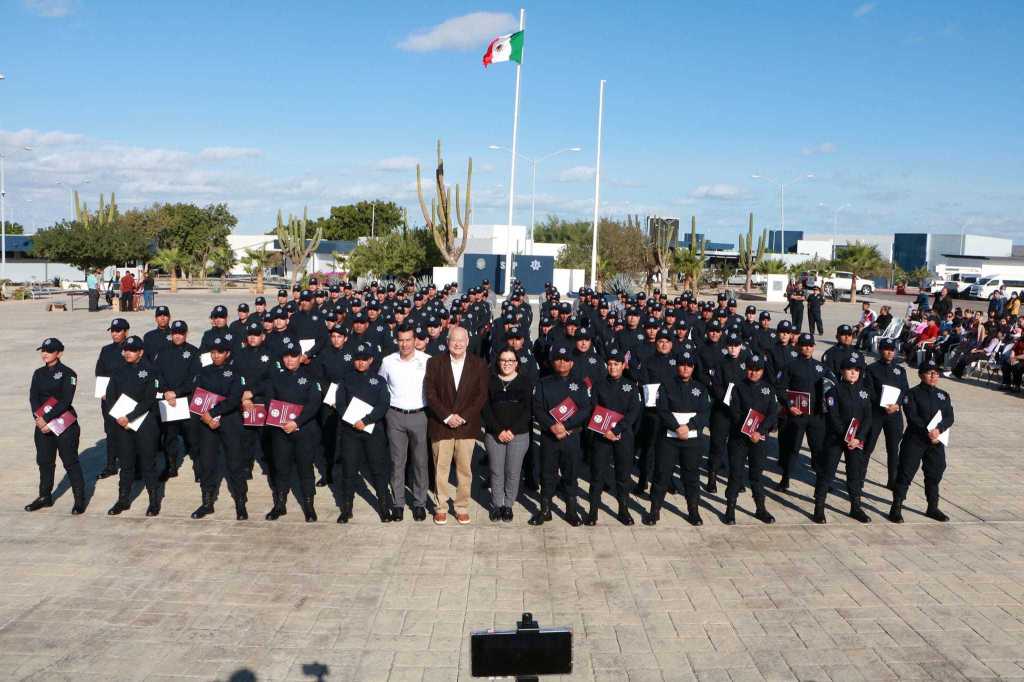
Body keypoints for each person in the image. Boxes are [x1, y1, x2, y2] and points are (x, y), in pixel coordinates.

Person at [424, 326, 488, 525]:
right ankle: (441, 506)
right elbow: (430, 393)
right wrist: (446, 416)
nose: (458, 344)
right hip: (441, 425)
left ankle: (461, 507)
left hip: (466, 427)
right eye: (454, 340)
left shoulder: (478, 364)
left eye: (461, 340)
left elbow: (481, 395)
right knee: (440, 469)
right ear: (447, 341)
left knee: (464, 470)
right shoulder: (434, 363)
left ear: (468, 342)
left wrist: (463, 417)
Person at [644, 349, 710, 526]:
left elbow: (705, 412)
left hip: (692, 439)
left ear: (693, 367)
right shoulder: (666, 386)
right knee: (661, 475)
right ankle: (654, 510)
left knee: (691, 477)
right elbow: (662, 409)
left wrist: (688, 427)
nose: (685, 368)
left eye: (689, 365)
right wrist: (676, 427)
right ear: (677, 366)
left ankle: (693, 511)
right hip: (669, 438)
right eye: (682, 364)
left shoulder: (700, 388)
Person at [530, 341, 593, 526]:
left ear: (572, 363)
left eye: (566, 360)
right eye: (558, 360)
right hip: (550, 437)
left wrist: (565, 425)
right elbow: (538, 408)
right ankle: (545, 510)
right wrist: (551, 426)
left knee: (570, 473)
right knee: (547, 473)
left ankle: (571, 511)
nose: (562, 363)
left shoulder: (580, 385)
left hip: (571, 436)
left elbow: (585, 409)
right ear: (552, 362)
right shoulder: (543, 383)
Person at [189, 337, 247, 520]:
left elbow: (234, 398)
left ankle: (240, 502)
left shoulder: (235, 373)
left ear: (227, 353)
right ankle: (207, 502)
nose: (215, 355)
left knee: (235, 463)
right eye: (213, 352)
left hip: (229, 422)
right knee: (207, 463)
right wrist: (206, 418)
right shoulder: (203, 373)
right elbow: (196, 397)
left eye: (220, 352)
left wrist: (214, 413)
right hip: (207, 423)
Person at [26, 338, 86, 515]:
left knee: (70, 462)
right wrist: (38, 418)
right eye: (43, 350)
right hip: (42, 424)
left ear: (59, 353)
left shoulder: (69, 374)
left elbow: (66, 401)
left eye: (49, 351)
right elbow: (33, 397)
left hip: (63, 423)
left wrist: (46, 418)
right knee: (44, 462)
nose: (45, 353)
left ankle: (79, 500)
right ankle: (45, 496)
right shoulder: (38, 373)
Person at [334, 343, 393, 523]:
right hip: (350, 431)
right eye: (358, 359)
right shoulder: (345, 379)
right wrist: (353, 421)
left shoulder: (379, 381)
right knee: (349, 470)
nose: (361, 363)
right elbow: (340, 403)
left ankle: (384, 507)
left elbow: (383, 404)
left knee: (378, 470)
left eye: (364, 359)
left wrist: (366, 420)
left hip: (372, 430)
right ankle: (346, 508)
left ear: (371, 360)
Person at [889, 360, 954, 523]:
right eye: (929, 373)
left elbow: (949, 416)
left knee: (935, 473)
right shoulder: (912, 394)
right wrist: (928, 431)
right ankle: (896, 507)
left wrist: (939, 429)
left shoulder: (943, 395)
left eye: (936, 373)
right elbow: (912, 416)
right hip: (915, 439)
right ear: (921, 375)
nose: (933, 376)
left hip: (935, 441)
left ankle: (932, 507)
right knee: (905, 472)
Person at [264, 343, 323, 522]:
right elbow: (269, 400)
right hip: (281, 431)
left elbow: (314, 403)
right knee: (281, 468)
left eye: (294, 356)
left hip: (304, 430)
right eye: (287, 356)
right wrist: (282, 421)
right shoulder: (276, 378)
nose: (290, 360)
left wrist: (297, 422)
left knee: (305, 469)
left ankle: (309, 505)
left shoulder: (310, 377)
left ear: (300, 357)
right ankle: (280, 504)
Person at [378, 324, 431, 521]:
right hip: (395, 415)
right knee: (397, 461)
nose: (405, 344)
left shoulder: (427, 361)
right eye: (401, 340)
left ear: (415, 340)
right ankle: (398, 503)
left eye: (409, 339)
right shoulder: (388, 362)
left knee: (420, 462)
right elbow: (381, 386)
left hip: (419, 415)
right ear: (396, 340)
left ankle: (419, 503)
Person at [104, 335, 162, 516]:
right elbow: (110, 395)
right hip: (122, 424)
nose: (128, 353)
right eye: (126, 350)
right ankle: (123, 499)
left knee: (148, 463)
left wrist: (130, 417)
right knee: (126, 463)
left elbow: (149, 399)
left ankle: (154, 501)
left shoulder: (150, 371)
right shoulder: (117, 370)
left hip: (144, 422)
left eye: (132, 350)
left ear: (141, 352)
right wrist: (119, 417)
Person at [585, 346, 642, 526]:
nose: (612, 368)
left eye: (616, 364)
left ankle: (623, 509)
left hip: (623, 436)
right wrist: (605, 431)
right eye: (609, 364)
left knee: (623, 475)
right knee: (597, 474)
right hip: (602, 436)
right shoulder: (599, 385)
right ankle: (592, 510)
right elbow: (593, 408)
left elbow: (633, 412)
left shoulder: (630, 386)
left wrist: (617, 430)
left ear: (623, 365)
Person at [815, 356, 873, 524]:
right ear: (842, 371)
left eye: (856, 370)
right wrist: (846, 436)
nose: (853, 373)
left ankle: (856, 507)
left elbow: (868, 418)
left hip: (855, 441)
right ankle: (819, 508)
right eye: (849, 369)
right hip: (836, 439)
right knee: (827, 473)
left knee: (854, 474)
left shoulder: (864, 392)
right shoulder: (834, 391)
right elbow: (833, 417)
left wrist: (859, 437)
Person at [724, 354, 779, 524]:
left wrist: (760, 430)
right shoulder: (737, 388)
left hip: (759, 439)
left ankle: (760, 509)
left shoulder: (768, 389)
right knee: (735, 474)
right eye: (750, 369)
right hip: (739, 438)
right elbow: (735, 413)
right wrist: (750, 430)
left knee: (756, 475)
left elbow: (772, 413)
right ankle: (730, 509)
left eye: (757, 370)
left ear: (762, 371)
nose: (753, 373)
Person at [481, 347, 533, 522]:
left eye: (511, 360)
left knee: (513, 471)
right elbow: (485, 408)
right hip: (494, 434)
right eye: (503, 360)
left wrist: (511, 431)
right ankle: (497, 504)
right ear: (498, 362)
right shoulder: (490, 380)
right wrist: (499, 430)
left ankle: (508, 505)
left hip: (518, 435)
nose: (507, 363)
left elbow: (528, 410)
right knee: (496, 471)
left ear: (516, 363)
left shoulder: (525, 382)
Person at [777, 333, 830, 490]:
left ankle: (822, 482)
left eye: (811, 345)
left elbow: (831, 386)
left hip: (816, 416)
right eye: (805, 345)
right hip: (797, 415)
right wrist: (788, 405)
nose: (808, 348)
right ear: (799, 346)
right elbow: (779, 388)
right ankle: (785, 478)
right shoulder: (790, 366)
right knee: (792, 448)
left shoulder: (821, 367)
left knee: (818, 449)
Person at [154, 320, 201, 482]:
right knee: (169, 436)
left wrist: (177, 392)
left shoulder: (194, 352)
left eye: (181, 333)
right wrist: (166, 391)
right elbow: (157, 374)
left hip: (187, 400)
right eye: (175, 333)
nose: (178, 336)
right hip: (168, 401)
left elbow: (195, 378)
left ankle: (199, 468)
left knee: (192, 436)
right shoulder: (162, 352)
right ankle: (171, 466)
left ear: (186, 334)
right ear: (171, 334)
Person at [863, 339, 909, 489]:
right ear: (880, 350)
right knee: (868, 446)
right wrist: (881, 404)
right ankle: (859, 478)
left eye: (892, 349)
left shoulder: (900, 370)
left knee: (893, 448)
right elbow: (869, 390)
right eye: (886, 349)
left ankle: (892, 480)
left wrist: (897, 404)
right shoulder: (871, 369)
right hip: (876, 413)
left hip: (894, 414)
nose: (890, 352)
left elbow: (905, 391)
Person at [96, 317, 130, 479]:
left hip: (126, 397)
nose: (115, 334)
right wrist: (102, 391)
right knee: (110, 431)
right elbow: (100, 372)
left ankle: (130, 464)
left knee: (126, 430)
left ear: (126, 332)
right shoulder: (106, 350)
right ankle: (110, 465)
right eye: (113, 331)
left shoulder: (132, 348)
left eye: (118, 331)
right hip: (108, 398)